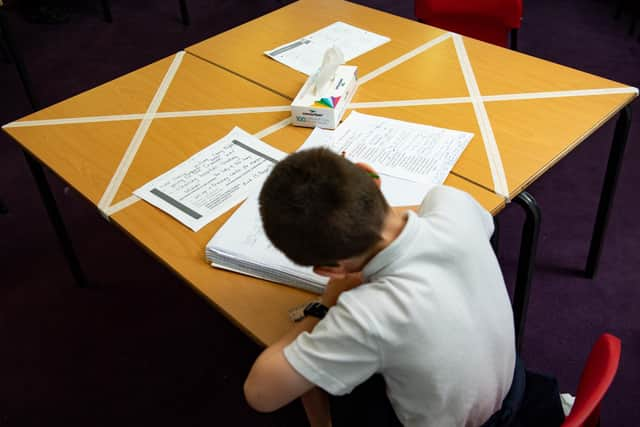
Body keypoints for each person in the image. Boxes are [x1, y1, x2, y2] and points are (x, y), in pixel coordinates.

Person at [243, 147, 517, 427]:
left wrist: (324, 306)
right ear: (371, 176)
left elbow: (260, 394)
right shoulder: (451, 202)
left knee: (325, 380)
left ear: (331, 270)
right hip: (511, 388)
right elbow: (485, 226)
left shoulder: (366, 314)